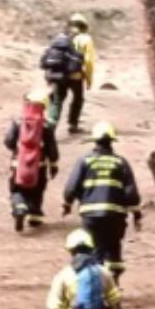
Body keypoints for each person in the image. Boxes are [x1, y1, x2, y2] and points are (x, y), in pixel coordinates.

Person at [61, 121, 142, 282]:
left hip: (91, 216)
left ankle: (96, 284)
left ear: (94, 141)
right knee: (114, 246)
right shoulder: (121, 162)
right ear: (112, 141)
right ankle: (114, 279)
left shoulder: (85, 161)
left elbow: (71, 186)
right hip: (115, 216)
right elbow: (131, 192)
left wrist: (67, 204)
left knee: (94, 249)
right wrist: (137, 214)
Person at [2, 89, 60, 232]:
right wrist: (53, 165)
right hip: (39, 166)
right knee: (37, 190)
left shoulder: (18, 122)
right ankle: (35, 216)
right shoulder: (46, 125)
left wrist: (17, 150)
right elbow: (52, 149)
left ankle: (19, 207)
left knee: (16, 189)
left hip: (18, 164)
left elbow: (9, 142)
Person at [39, 14, 96, 134]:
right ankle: (73, 124)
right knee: (78, 99)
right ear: (84, 26)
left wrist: (50, 76)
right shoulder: (86, 39)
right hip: (76, 76)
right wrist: (89, 79)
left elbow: (52, 56)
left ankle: (51, 124)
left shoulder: (61, 38)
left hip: (60, 75)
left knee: (57, 100)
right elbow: (89, 62)